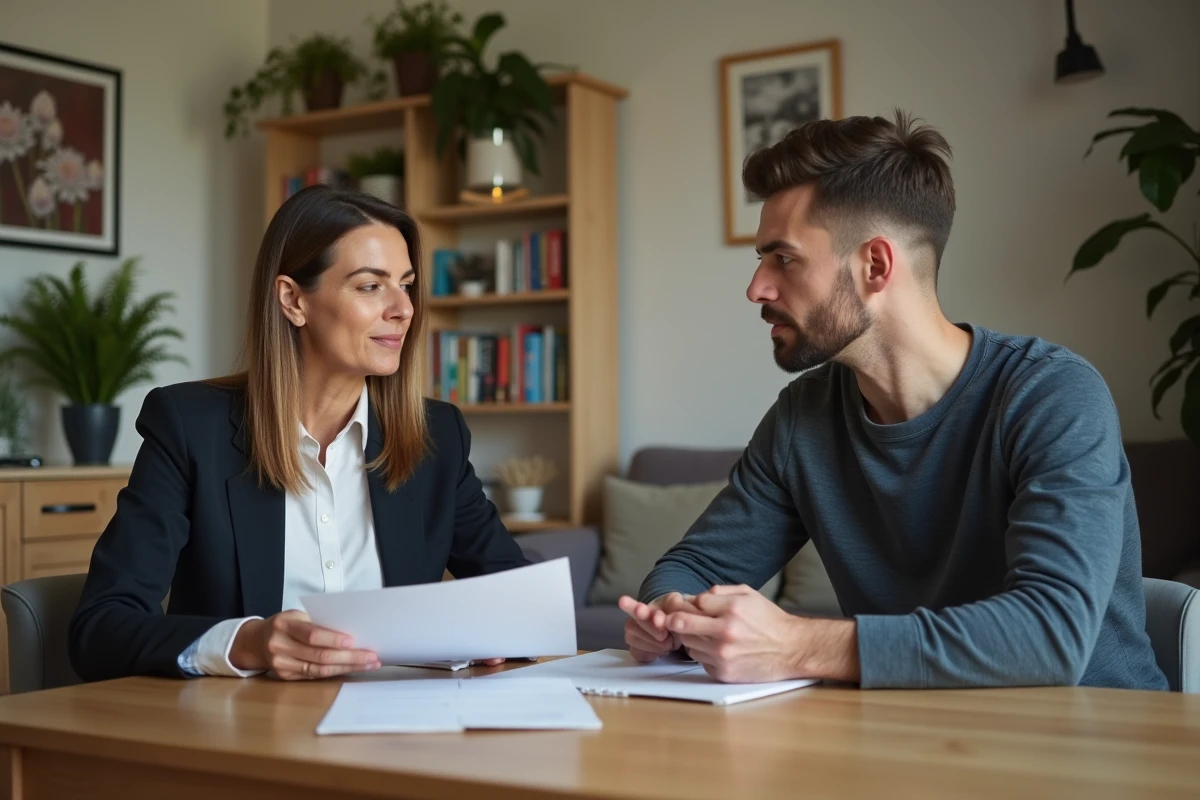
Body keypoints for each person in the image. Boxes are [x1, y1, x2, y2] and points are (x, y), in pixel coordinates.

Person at [620, 111, 1167, 691]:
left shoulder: (1051, 395)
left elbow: (1052, 635)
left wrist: (797, 645)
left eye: (783, 258)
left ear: (875, 265)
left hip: (1097, 749)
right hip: (916, 741)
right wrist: (668, 616)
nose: (757, 287)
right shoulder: (801, 419)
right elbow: (692, 568)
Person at [69, 185, 529, 682]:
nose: (404, 309)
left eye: (406, 284)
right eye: (371, 286)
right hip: (244, 737)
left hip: (400, 735)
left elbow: (518, 603)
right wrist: (248, 642)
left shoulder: (436, 436)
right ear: (292, 300)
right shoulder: (189, 428)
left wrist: (527, 630)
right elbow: (101, 628)